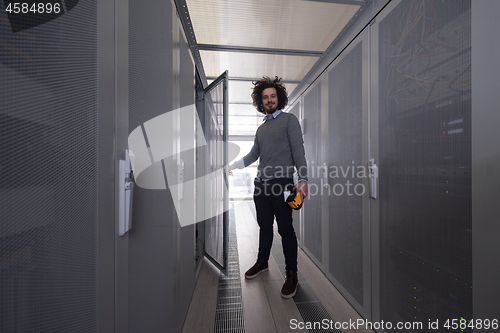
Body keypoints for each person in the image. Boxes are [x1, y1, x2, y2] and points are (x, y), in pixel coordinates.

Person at [229, 76, 308, 299]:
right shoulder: (261, 129)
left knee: (285, 229)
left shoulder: (289, 120)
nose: (269, 100)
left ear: (279, 98)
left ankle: (291, 275)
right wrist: (234, 165)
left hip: (282, 184)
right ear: (260, 102)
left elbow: (298, 150)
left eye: (273, 96)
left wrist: (303, 179)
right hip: (260, 185)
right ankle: (262, 262)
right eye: (265, 97)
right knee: (264, 226)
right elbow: (254, 155)